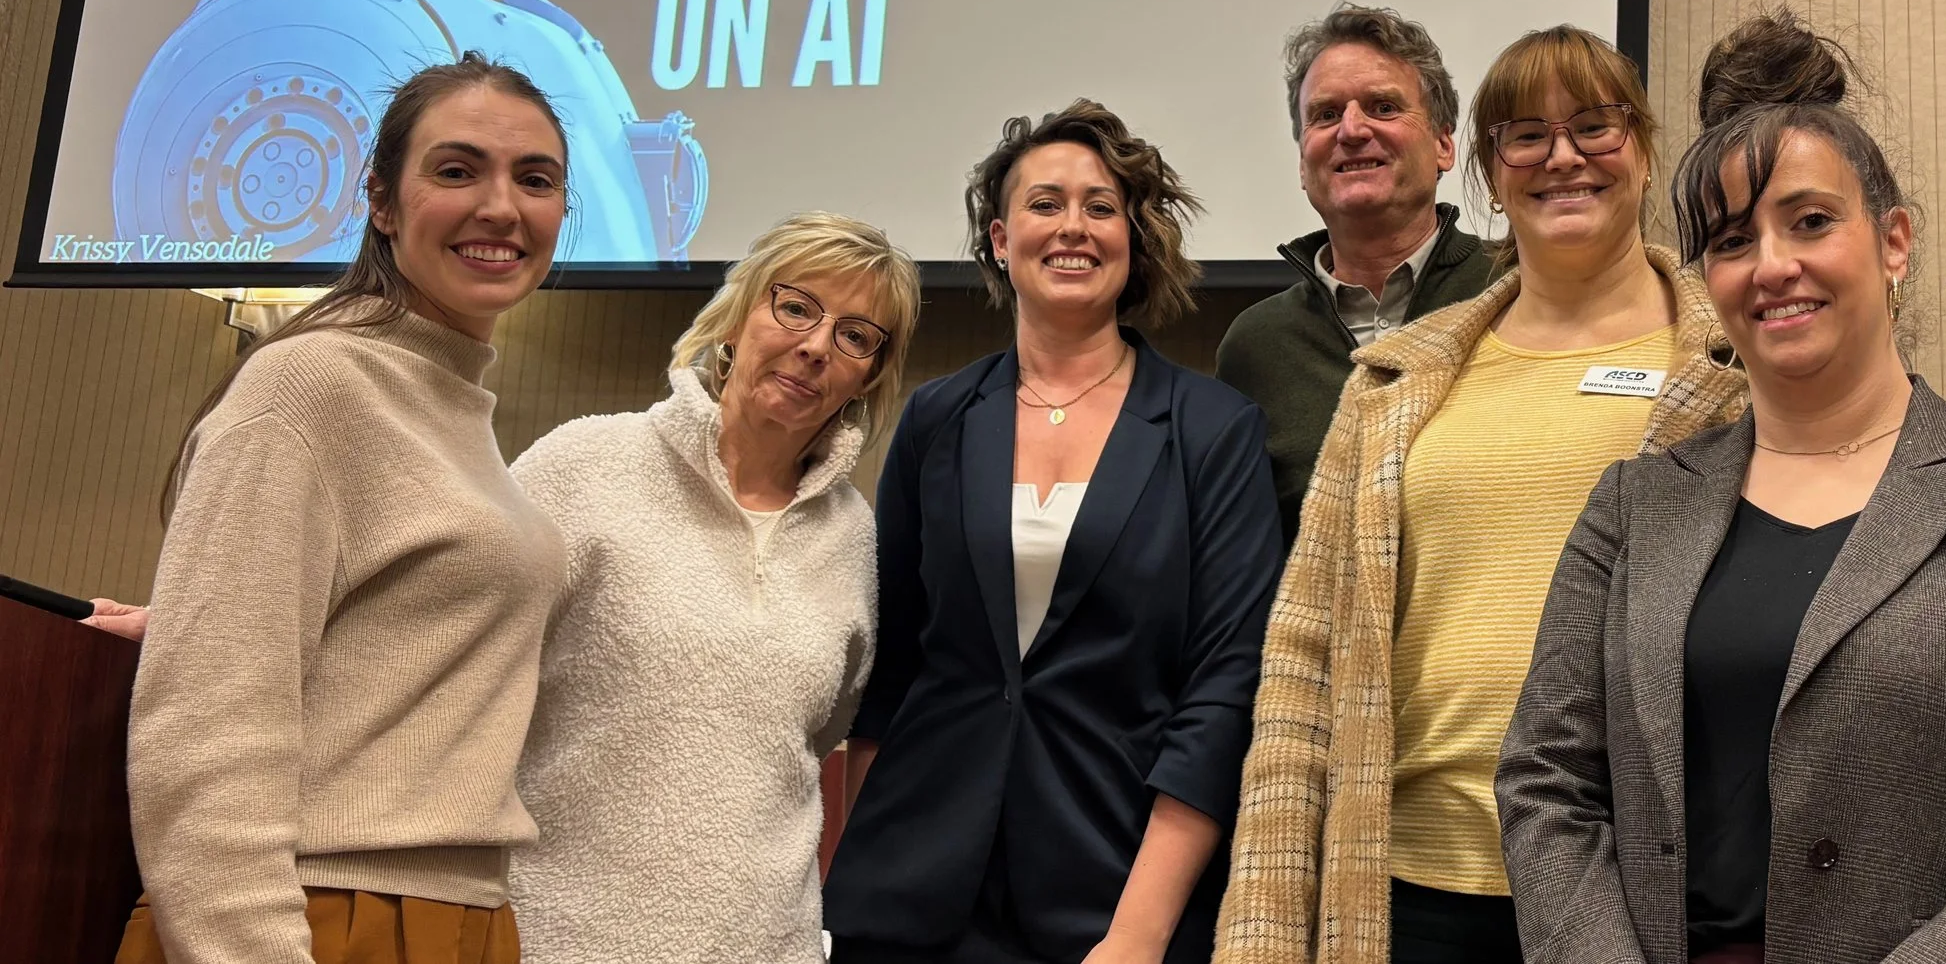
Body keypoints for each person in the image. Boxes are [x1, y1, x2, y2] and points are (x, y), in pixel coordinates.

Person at [1498, 9, 1946, 964]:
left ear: (1894, 241)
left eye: (1810, 222)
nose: (1773, 266)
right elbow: (1546, 784)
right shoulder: (1634, 509)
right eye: (1733, 240)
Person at [1218, 25, 1744, 964]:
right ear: (1491, 175)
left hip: (1644, 885)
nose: (1563, 157)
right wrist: (1262, 926)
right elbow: (1304, 663)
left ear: (1643, 147)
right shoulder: (1396, 378)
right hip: (1410, 887)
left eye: (1595, 125)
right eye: (1526, 136)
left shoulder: (1732, 363)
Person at [119, 53, 572, 964]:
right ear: (381, 201)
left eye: (535, 180)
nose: (501, 207)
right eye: (457, 170)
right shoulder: (310, 384)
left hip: (465, 916)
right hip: (318, 913)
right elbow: (205, 733)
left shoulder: (455, 408)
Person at [823, 101, 1283, 964]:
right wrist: (864, 864)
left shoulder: (1213, 430)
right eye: (1045, 203)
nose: (1073, 226)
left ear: (1132, 241)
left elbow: (1225, 691)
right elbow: (893, 671)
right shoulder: (936, 417)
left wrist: (1139, 934)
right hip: (909, 893)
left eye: (1101, 207)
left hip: (1113, 890)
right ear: (1000, 240)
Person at [507, 212, 921, 963]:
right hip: (563, 936)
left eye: (856, 336)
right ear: (738, 313)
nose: (816, 345)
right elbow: (466, 689)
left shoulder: (853, 535)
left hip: (767, 944)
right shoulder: (581, 466)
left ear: (869, 376)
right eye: (795, 307)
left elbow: (819, 734)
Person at [1217, 5, 1495, 544]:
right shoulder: (1255, 348)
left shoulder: (1517, 293)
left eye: (1383, 107)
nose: (1350, 130)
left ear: (1443, 145)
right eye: (1324, 115)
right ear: (1303, 164)